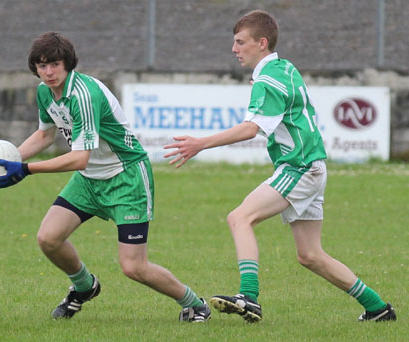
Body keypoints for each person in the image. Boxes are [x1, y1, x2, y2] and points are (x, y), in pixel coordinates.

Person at [164, 10, 396, 323]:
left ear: (261, 43)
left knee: (240, 218)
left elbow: (250, 129)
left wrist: (199, 144)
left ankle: (249, 297)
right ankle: (378, 308)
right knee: (310, 255)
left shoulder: (267, 80)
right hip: (312, 166)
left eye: (240, 42)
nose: (234, 49)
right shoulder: (283, 67)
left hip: (298, 167)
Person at [0, 31, 211, 323]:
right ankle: (84, 287)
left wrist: (27, 169)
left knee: (134, 267)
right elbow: (44, 135)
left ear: (67, 63)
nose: (48, 72)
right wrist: (12, 160)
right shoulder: (45, 91)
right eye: (41, 66)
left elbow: (79, 157)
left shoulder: (84, 95)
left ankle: (195, 304)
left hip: (126, 177)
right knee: (48, 238)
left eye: (54, 64)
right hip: (89, 178)